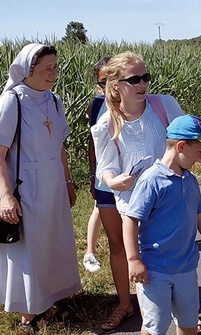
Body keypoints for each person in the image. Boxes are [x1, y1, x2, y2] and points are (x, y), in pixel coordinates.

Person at [91, 52, 201, 332]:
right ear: (115, 86)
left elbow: (189, 141)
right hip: (135, 205)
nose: (142, 84)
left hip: (171, 200)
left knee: (175, 253)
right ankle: (153, 325)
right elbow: (105, 168)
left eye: (145, 77)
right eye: (133, 79)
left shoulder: (163, 106)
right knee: (146, 263)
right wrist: (114, 182)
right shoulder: (107, 124)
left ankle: (183, 313)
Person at [0, 43, 81, 333]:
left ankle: (47, 301)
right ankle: (28, 314)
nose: (54, 73)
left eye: (55, 67)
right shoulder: (11, 101)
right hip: (25, 185)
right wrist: (6, 196)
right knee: (29, 248)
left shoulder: (54, 100)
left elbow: (60, 146)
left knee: (51, 243)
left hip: (52, 182)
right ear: (28, 71)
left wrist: (67, 181)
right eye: (47, 69)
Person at [123, 114, 201, 335]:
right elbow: (131, 220)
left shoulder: (189, 180)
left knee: (189, 320)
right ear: (181, 147)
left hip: (186, 267)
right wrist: (134, 260)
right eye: (199, 152)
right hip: (154, 269)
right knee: (156, 323)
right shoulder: (151, 181)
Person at [83, 56, 111, 273]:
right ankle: (90, 251)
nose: (109, 86)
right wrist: (93, 175)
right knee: (99, 209)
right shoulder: (96, 105)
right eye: (104, 82)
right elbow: (92, 143)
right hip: (105, 171)